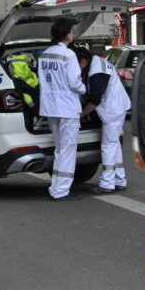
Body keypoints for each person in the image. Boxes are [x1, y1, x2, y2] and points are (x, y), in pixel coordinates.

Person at [38, 19, 86, 201]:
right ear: (66, 35)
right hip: (67, 107)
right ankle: (61, 191)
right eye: (72, 32)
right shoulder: (68, 55)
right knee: (68, 150)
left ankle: (56, 188)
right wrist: (84, 89)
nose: (73, 34)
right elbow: (74, 82)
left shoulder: (45, 54)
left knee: (59, 149)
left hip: (50, 107)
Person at [76, 48, 131, 194]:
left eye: (76, 65)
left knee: (108, 146)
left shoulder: (96, 72)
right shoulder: (97, 62)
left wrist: (80, 115)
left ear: (83, 61)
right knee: (114, 144)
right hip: (117, 106)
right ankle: (120, 179)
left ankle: (107, 183)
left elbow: (94, 100)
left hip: (113, 110)